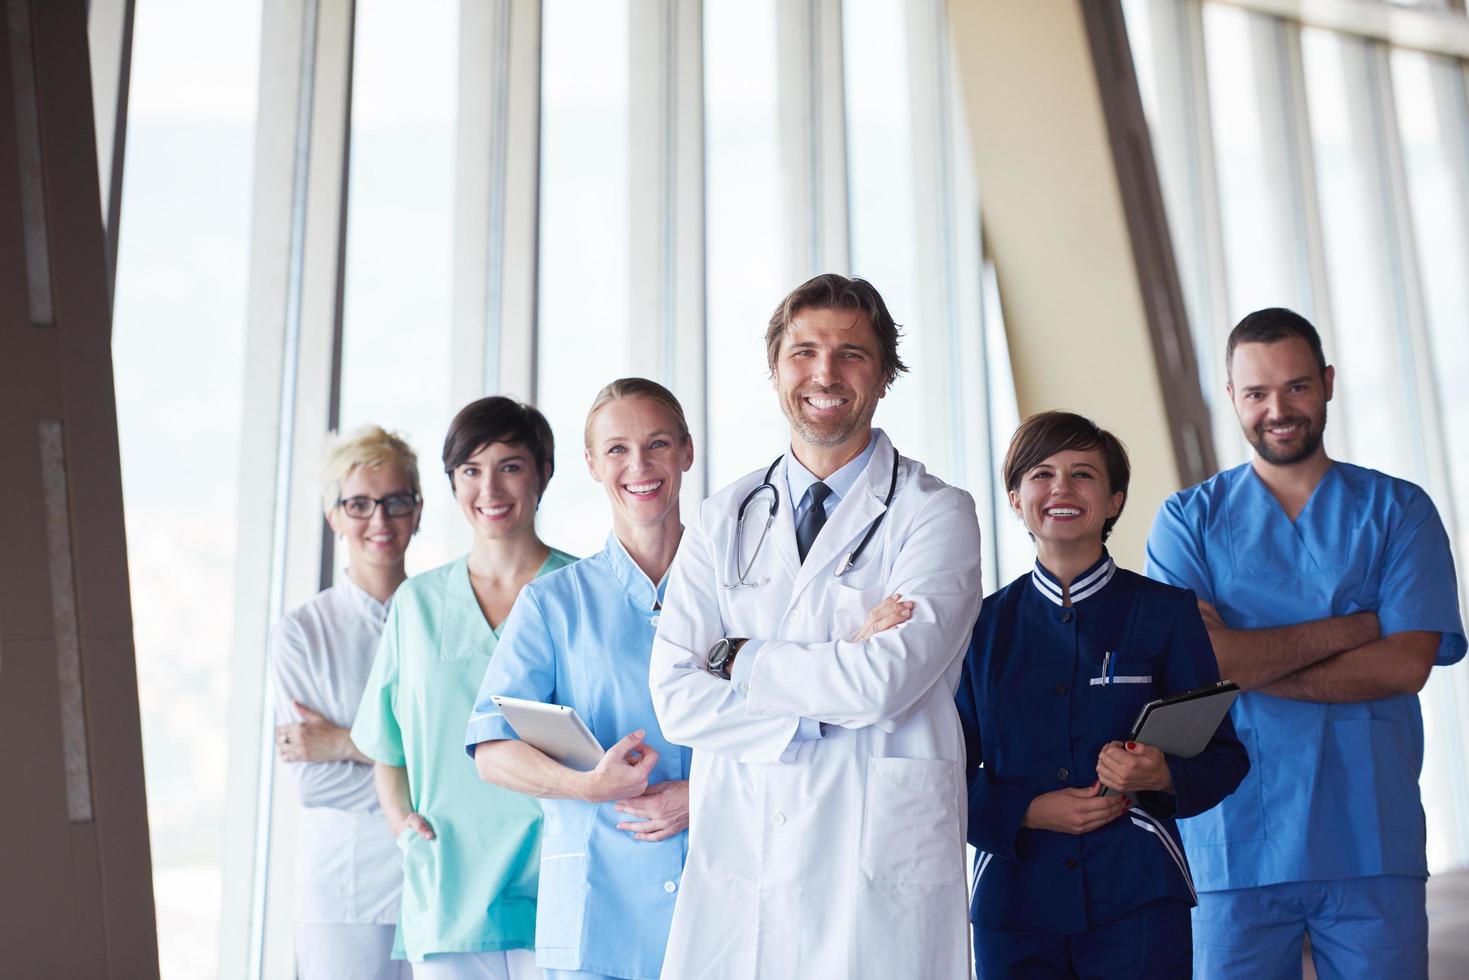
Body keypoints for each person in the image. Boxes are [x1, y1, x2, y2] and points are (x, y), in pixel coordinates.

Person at [649, 273, 984, 978]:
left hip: (876, 867)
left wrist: (737, 656)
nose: (824, 373)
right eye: (802, 352)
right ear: (775, 370)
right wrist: (831, 679)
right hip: (745, 854)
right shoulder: (720, 520)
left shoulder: (935, 514)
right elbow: (677, 697)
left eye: (851, 354)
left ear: (885, 374)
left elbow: (882, 683)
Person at [1145, 308, 1466, 978]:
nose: (1277, 409)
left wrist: (1240, 660)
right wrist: (1355, 626)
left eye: (1294, 387)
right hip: (1232, 841)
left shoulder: (1398, 511)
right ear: (1230, 398)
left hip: (1368, 840)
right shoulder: (1187, 522)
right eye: (1256, 393)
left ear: (1325, 383)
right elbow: (1196, 666)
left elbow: (1405, 664)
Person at [957, 411, 1248, 978]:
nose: (1061, 488)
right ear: (1016, 498)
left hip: (1137, 893)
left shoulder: (1166, 614)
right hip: (1013, 901)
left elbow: (1225, 758)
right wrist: (1030, 812)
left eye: (1083, 474)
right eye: (1041, 474)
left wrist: (1159, 776)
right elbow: (943, 773)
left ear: (1114, 500)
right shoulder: (978, 628)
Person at [466, 378, 697, 980]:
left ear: (687, 452)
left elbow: (798, 731)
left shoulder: (739, 592)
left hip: (717, 905)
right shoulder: (552, 603)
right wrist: (587, 787)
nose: (639, 465)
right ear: (591, 464)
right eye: (617, 449)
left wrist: (703, 797)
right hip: (599, 921)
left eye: (658, 444)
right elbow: (492, 751)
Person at [352, 397, 577, 979]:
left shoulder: (583, 593)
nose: (490, 488)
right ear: (452, 483)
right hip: (447, 891)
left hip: (557, 880)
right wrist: (404, 827)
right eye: (471, 470)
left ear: (543, 473)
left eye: (510, 465)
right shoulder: (417, 604)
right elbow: (388, 746)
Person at [270, 425, 423, 979]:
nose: (379, 520)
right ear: (333, 516)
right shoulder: (301, 633)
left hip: (436, 877)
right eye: (358, 504)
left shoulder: (443, 615)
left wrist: (341, 742)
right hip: (345, 890)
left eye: (395, 501)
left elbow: (471, 759)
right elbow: (314, 784)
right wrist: (420, 771)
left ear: (419, 510)